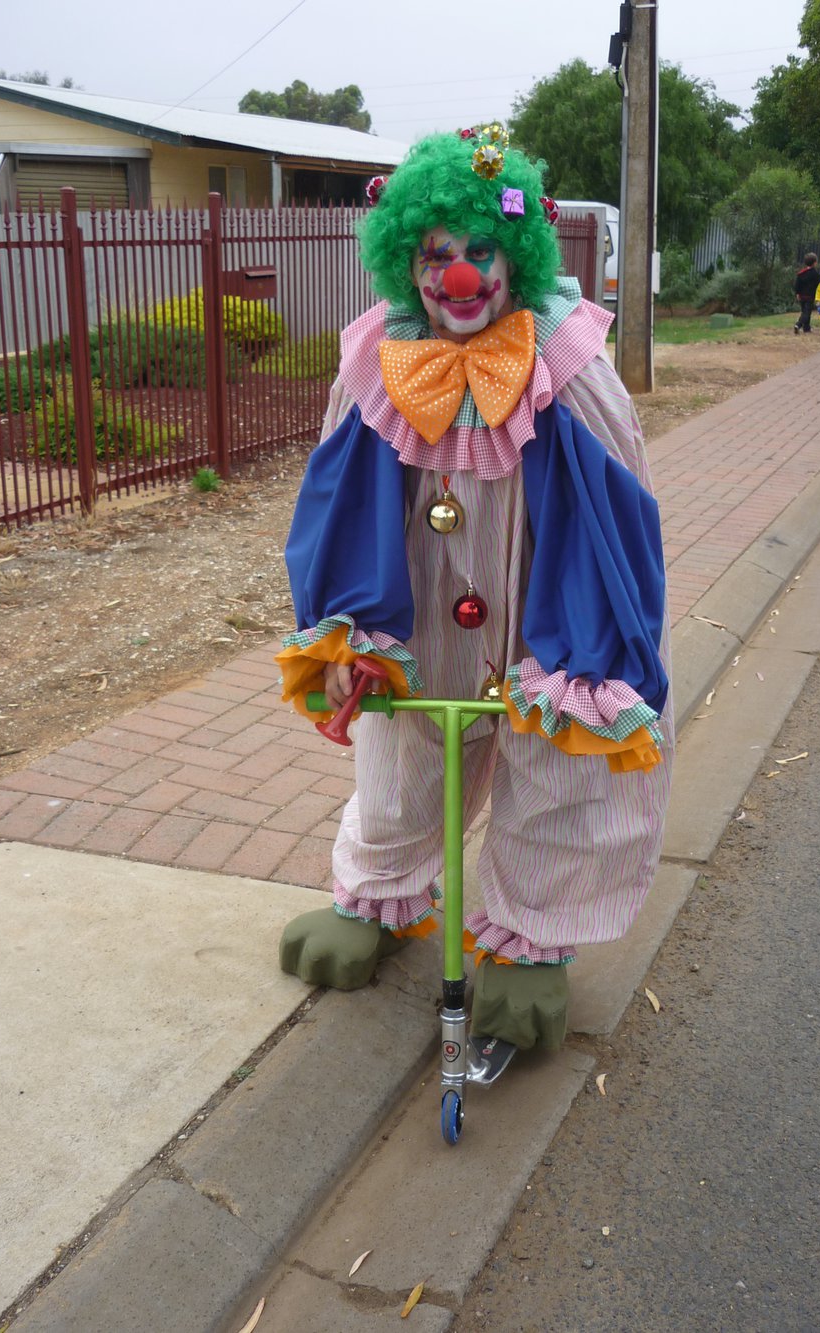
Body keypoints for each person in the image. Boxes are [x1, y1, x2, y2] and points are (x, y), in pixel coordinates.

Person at [274, 127, 673, 1052]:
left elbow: (619, 504)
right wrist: (342, 626)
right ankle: (375, 896)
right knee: (402, 749)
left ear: (515, 254)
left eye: (480, 252)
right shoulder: (376, 360)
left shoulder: (567, 366)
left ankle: (531, 945)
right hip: (418, 605)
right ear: (406, 263)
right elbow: (336, 491)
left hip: (544, 613)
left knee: (556, 766)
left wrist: (605, 638)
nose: (459, 277)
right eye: (436, 255)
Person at [793, 252, 820, 334]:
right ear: (815, 263)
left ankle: (807, 328)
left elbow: (797, 284)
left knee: (804, 311)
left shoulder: (801, 273)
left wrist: (797, 293)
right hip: (810, 296)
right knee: (807, 313)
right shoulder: (815, 274)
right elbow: (818, 285)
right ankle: (798, 324)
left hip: (802, 296)